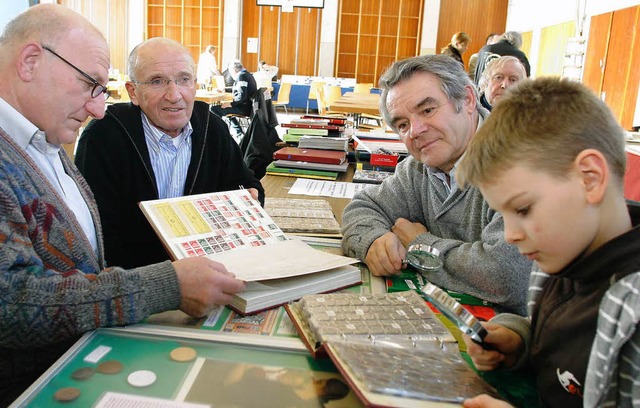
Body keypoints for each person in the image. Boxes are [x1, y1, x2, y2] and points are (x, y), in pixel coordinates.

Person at [0, 5, 246, 405]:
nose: (99, 108)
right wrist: (166, 285)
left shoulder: (44, 138)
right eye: (90, 84)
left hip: (84, 360)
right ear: (30, 61)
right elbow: (10, 305)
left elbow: (81, 264)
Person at [456, 77, 640, 408]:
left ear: (589, 178)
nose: (510, 234)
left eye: (523, 209)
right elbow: (564, 351)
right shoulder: (560, 259)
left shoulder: (633, 314)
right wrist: (518, 341)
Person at [340, 54, 532, 315]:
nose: (415, 131)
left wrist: (419, 245)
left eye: (427, 110)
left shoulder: (522, 164)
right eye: (403, 124)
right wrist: (374, 241)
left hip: (515, 340)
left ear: (467, 100)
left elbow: (506, 276)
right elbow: (362, 207)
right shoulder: (419, 168)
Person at [75, 37, 264, 269]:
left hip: (208, 269)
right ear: (133, 92)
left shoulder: (212, 129)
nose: (174, 95)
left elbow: (246, 183)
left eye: (184, 80)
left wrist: (250, 199)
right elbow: (98, 232)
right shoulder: (104, 137)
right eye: (157, 82)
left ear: (195, 84)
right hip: (138, 280)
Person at [210, 60, 258, 136]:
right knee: (225, 110)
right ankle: (238, 131)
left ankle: (219, 132)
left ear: (234, 69)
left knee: (213, 109)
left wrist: (231, 104)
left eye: (230, 71)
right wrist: (225, 90)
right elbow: (241, 90)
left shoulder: (241, 76)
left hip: (243, 108)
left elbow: (241, 96)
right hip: (248, 106)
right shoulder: (247, 74)